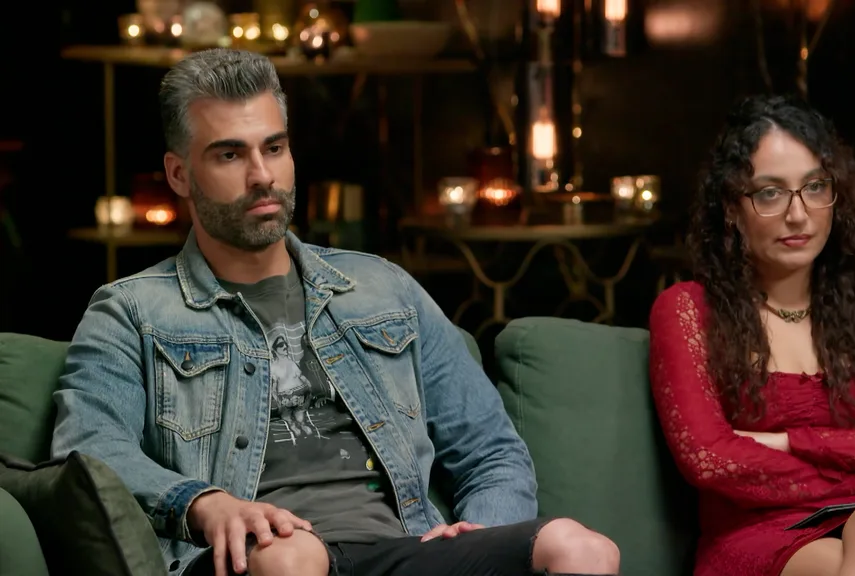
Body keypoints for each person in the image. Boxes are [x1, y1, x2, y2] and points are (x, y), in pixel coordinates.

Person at [50, 48, 619, 576]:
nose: (262, 176)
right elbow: (90, 450)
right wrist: (204, 503)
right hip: (262, 556)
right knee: (293, 558)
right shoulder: (131, 311)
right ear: (179, 174)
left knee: (583, 548)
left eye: (274, 148)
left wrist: (479, 534)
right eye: (230, 154)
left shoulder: (382, 288)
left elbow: (491, 449)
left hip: (402, 550)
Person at [648, 95, 855, 576]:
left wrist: (788, 442)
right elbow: (712, 460)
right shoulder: (688, 310)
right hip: (764, 536)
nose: (799, 214)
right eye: (770, 193)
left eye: (815, 187)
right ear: (732, 209)